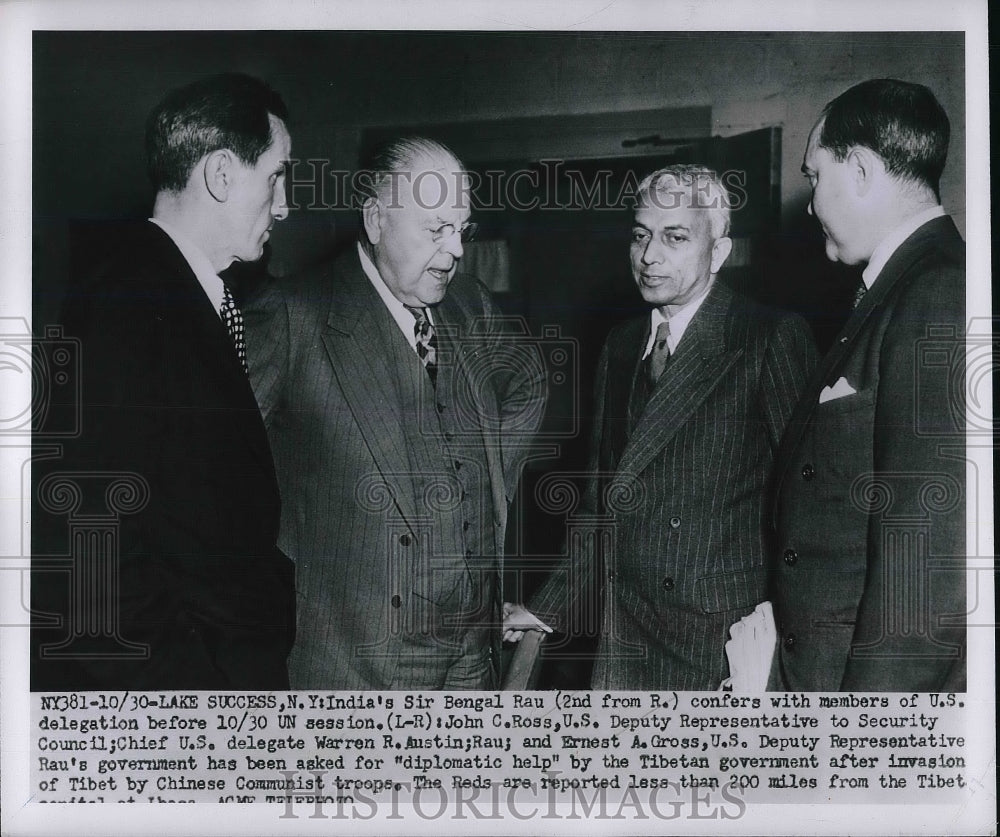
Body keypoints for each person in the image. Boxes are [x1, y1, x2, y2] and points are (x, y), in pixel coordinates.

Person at [246, 137, 546, 689]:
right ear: (377, 219)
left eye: (462, 230)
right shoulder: (293, 316)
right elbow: (222, 479)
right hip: (358, 664)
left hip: (471, 652)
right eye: (436, 230)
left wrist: (485, 482)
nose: (456, 250)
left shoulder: (468, 302)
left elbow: (528, 380)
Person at [31, 73, 296, 690]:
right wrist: (193, 708)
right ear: (223, 174)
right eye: (278, 175)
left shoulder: (184, 295)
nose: (285, 204)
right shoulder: (124, 304)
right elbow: (85, 553)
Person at [509, 164, 816, 690]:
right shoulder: (622, 345)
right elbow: (599, 505)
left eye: (675, 237)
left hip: (721, 644)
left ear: (718, 252)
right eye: (640, 234)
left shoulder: (768, 339)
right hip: (625, 634)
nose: (649, 256)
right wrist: (547, 610)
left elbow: (808, 511)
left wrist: (785, 655)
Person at [772, 78, 966, 691]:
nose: (809, 204)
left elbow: (927, 558)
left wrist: (866, 740)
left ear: (859, 169)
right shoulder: (895, 289)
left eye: (814, 177)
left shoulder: (936, 292)